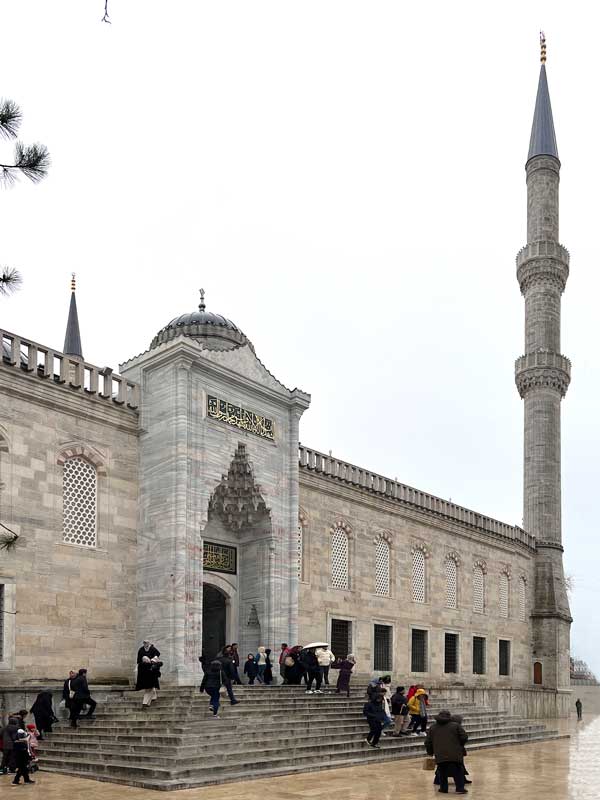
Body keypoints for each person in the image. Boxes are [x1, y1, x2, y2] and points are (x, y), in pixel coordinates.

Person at [425, 709, 469, 794]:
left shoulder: (433, 727)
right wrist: (459, 745)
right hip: (455, 753)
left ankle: (443, 788)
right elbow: (464, 737)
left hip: (440, 754)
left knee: (442, 771)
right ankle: (460, 788)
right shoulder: (456, 726)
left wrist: (430, 752)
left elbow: (427, 742)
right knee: (458, 770)